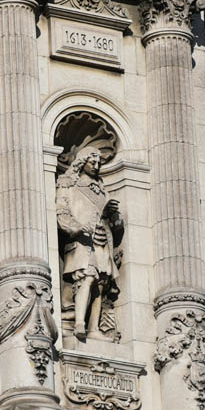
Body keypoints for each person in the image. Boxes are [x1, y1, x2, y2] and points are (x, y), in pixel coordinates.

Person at [56, 146, 124, 340]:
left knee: (101, 283)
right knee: (87, 277)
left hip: (102, 240)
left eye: (98, 163)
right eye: (91, 162)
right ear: (82, 162)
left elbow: (115, 223)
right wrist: (76, 227)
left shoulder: (101, 190)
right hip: (82, 241)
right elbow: (61, 211)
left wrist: (113, 215)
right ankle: (79, 323)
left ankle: (94, 329)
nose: (95, 166)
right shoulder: (68, 184)